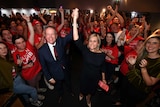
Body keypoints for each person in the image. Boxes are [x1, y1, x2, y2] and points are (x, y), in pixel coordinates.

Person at [72, 8, 107, 107]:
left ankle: (88, 99)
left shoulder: (102, 54)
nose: (92, 43)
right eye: (90, 40)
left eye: (94, 41)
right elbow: (76, 39)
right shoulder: (85, 51)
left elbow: (103, 67)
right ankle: (82, 94)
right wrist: (75, 19)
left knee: (91, 91)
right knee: (83, 89)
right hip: (84, 75)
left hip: (95, 78)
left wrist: (103, 78)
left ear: (98, 43)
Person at [115, 33, 160, 106]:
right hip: (129, 81)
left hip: (139, 89)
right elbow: (131, 69)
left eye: (155, 43)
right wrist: (131, 64)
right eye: (149, 42)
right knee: (124, 100)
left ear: (159, 46)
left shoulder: (158, 62)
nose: (150, 45)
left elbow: (150, 83)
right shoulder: (142, 54)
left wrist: (143, 68)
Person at [38, 25, 74, 104]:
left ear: (56, 35)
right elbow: (44, 67)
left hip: (65, 69)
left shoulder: (60, 42)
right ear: (44, 35)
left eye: (52, 34)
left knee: (68, 82)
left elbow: (71, 35)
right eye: (48, 34)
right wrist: (49, 77)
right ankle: (60, 95)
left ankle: (70, 91)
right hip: (54, 73)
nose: (50, 37)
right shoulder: (41, 51)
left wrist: (74, 21)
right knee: (59, 86)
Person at [12, 14, 46, 97]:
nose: (22, 44)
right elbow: (18, 68)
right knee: (32, 87)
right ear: (15, 45)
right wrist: (25, 66)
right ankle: (36, 95)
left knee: (37, 81)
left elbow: (31, 33)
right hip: (29, 74)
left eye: (23, 42)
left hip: (37, 68)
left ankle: (38, 89)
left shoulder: (28, 44)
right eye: (19, 43)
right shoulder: (16, 54)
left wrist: (28, 21)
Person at [0, 42, 43, 107]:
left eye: (4, 47)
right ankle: (35, 101)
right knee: (32, 90)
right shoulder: (1, 62)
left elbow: (14, 70)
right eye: (0, 49)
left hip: (17, 78)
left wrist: (19, 64)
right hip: (12, 84)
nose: (4, 50)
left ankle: (28, 102)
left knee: (24, 94)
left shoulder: (7, 58)